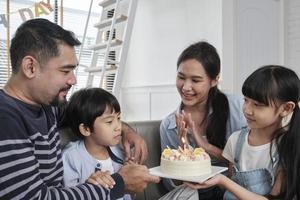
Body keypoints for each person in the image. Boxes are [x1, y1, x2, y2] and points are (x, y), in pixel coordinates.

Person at [0, 18, 159, 199]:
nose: (73, 80)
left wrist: (128, 131)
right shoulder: (6, 119)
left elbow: (90, 117)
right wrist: (120, 183)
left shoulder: (48, 107)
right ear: (30, 67)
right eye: (65, 71)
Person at [185, 65, 300, 200]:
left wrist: (223, 181)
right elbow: (229, 187)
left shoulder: (288, 146)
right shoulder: (236, 140)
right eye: (246, 100)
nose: (247, 110)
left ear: (286, 108)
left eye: (258, 105)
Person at [159, 41, 246, 199]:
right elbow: (171, 184)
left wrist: (204, 145)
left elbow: (247, 164)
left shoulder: (239, 108)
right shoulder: (169, 125)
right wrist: (184, 151)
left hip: (235, 191)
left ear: (214, 80)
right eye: (181, 77)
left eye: (196, 80)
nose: (186, 87)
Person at [62, 87, 132, 200]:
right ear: (86, 129)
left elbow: (127, 194)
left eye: (118, 118)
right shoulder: (71, 158)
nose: (118, 126)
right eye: (109, 122)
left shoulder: (120, 151)